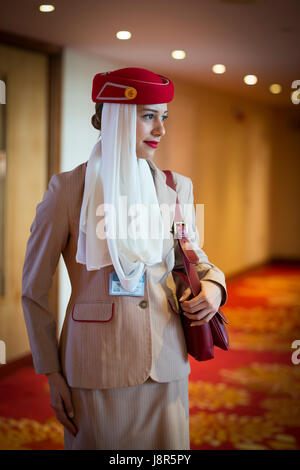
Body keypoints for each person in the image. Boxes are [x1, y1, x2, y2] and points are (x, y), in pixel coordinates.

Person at [21, 67, 228, 450]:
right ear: (115, 116)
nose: (161, 130)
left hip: (165, 361)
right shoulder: (68, 190)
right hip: (96, 364)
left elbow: (193, 259)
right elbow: (34, 290)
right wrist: (51, 373)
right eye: (148, 116)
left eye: (163, 116)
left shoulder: (175, 187)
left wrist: (214, 287)